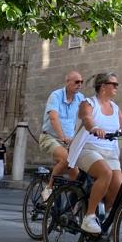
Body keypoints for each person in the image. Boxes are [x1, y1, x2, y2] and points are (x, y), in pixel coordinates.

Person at [68, 71, 122, 235]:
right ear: (103, 86)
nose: (117, 88)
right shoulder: (88, 103)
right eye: (115, 84)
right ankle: (89, 217)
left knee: (118, 187)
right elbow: (87, 118)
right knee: (105, 173)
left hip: (109, 152)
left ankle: (102, 216)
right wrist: (94, 128)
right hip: (88, 149)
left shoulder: (115, 107)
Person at [40, 71, 86, 201]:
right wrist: (63, 137)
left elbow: (86, 118)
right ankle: (49, 188)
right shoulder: (56, 96)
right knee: (67, 159)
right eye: (77, 82)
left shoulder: (80, 98)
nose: (80, 85)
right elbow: (54, 118)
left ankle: (72, 209)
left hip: (69, 141)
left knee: (77, 178)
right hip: (50, 137)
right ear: (67, 82)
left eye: (81, 82)